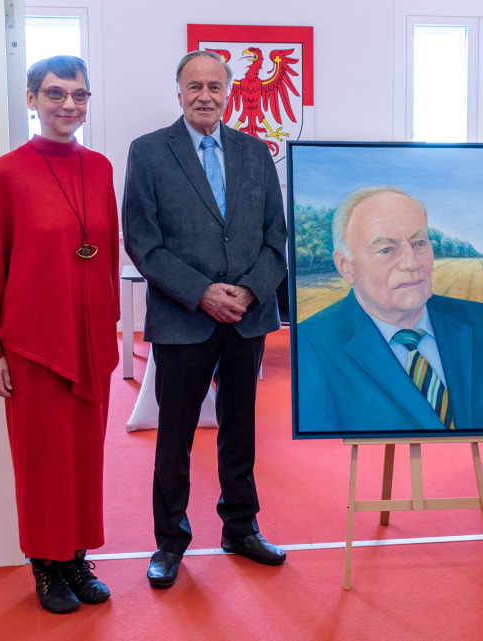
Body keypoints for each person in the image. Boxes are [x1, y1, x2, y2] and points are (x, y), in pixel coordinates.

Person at [122, 50, 288, 588]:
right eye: (194, 85)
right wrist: (202, 293)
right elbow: (143, 244)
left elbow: (274, 237)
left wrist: (247, 290)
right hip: (183, 318)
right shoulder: (148, 153)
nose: (205, 95)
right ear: (178, 91)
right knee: (175, 436)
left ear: (229, 92)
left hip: (246, 317)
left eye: (215, 86)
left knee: (240, 430)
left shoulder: (254, 152)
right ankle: (170, 541)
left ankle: (240, 526)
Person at [0, 55, 118, 614]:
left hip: (89, 343)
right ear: (32, 100)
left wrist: (108, 328)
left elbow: (104, 254)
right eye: (55, 95)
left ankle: (76, 558)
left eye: (79, 96)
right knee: (41, 460)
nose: (68, 106)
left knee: (83, 457)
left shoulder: (100, 167)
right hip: (32, 343)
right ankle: (46, 566)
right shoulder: (7, 172)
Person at [296, 186, 483, 434]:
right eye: (386, 249)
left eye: (419, 243)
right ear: (345, 267)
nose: (411, 263)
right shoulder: (311, 345)